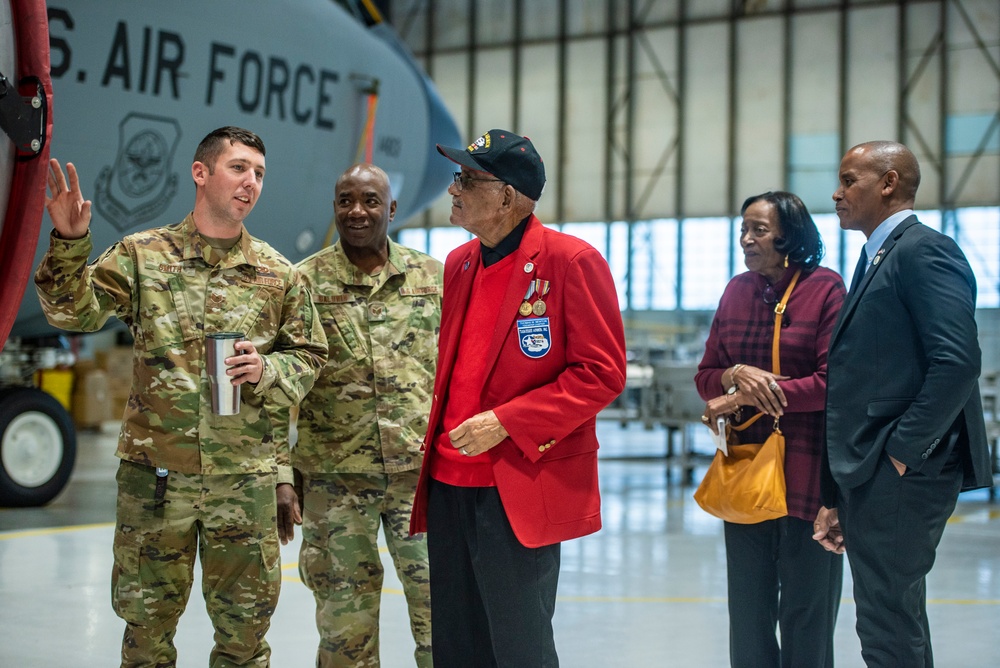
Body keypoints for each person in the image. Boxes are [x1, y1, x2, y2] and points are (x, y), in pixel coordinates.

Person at [35, 126, 329, 667]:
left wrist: (267, 368)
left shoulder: (278, 274)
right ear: (201, 172)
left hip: (243, 484)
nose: (251, 182)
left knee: (244, 640)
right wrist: (71, 243)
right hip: (156, 482)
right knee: (145, 636)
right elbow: (71, 313)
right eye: (239, 167)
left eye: (260, 173)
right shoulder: (143, 257)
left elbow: (312, 356)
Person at [408, 129, 627, 667]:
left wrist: (506, 421)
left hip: (514, 484)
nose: (453, 189)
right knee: (456, 644)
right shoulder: (459, 264)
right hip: (448, 482)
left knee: (518, 646)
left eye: (467, 179)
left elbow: (601, 373)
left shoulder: (570, 262)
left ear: (507, 196)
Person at [813, 141, 993, 666]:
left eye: (850, 180)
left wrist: (901, 452)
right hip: (876, 471)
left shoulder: (924, 251)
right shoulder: (878, 258)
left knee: (887, 620)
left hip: (903, 471)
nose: (838, 192)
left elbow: (957, 361)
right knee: (890, 615)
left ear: (889, 183)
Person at [286, 163, 442, 667]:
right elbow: (275, 385)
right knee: (343, 630)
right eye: (345, 200)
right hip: (334, 482)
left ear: (391, 208)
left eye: (370, 200)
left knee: (443, 616)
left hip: (421, 478)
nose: (357, 211)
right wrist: (280, 474)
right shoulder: (302, 283)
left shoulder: (433, 279)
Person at [695, 191, 846, 668]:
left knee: (808, 612)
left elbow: (831, 385)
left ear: (791, 236)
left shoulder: (826, 290)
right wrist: (735, 374)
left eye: (758, 229)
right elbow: (706, 376)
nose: (746, 239)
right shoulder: (736, 290)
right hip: (745, 469)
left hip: (808, 475)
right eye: (743, 230)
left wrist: (742, 397)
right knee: (749, 613)